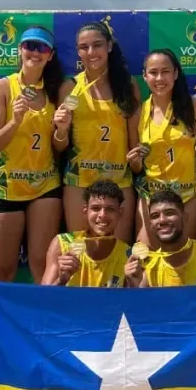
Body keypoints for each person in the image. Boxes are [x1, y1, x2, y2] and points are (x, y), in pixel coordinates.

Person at [0, 25, 64, 283]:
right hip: (5, 188)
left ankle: (43, 323)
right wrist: (15, 121)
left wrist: (63, 129)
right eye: (30, 45)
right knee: (1, 270)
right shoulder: (1, 88)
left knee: (43, 266)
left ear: (50, 55)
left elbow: (59, 147)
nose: (35, 52)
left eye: (42, 48)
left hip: (44, 186)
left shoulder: (56, 91)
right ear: (20, 50)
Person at [52, 21, 140, 243]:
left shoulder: (128, 86)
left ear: (109, 46)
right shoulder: (70, 87)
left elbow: (134, 143)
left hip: (119, 181)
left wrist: (138, 159)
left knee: (117, 253)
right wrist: (61, 130)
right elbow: (59, 146)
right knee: (82, 252)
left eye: (97, 45)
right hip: (79, 182)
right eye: (84, 47)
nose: (91, 52)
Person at [129, 49, 196, 245]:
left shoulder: (194, 107)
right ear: (145, 76)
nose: (159, 78)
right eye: (153, 72)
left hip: (187, 194)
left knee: (184, 254)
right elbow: (135, 168)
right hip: (151, 195)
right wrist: (135, 162)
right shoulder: (138, 113)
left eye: (165, 71)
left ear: (176, 74)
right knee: (145, 257)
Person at [41, 180, 131, 287]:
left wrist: (134, 281)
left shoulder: (127, 254)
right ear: (85, 210)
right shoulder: (62, 243)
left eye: (110, 209)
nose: (102, 215)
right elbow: (44, 297)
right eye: (96, 208)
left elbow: (132, 301)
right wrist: (62, 279)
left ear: (120, 213)